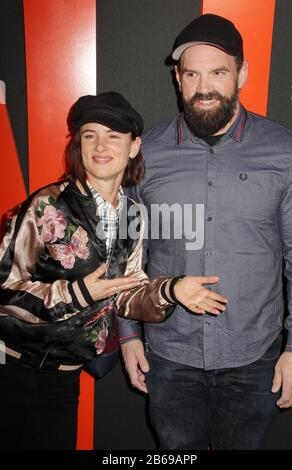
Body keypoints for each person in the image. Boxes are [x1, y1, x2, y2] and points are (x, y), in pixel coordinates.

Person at [0, 91, 227, 450]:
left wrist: (171, 290)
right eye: (90, 134)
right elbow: (6, 291)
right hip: (12, 372)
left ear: (134, 146)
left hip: (64, 380)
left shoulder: (133, 216)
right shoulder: (47, 205)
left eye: (114, 136)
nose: (101, 145)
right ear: (79, 145)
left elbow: (126, 293)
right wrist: (78, 293)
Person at [120, 14, 292, 450]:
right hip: (169, 356)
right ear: (177, 78)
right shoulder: (146, 153)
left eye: (218, 72)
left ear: (241, 73)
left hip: (254, 356)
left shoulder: (286, 151)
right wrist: (128, 336)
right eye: (192, 74)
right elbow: (126, 255)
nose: (204, 87)